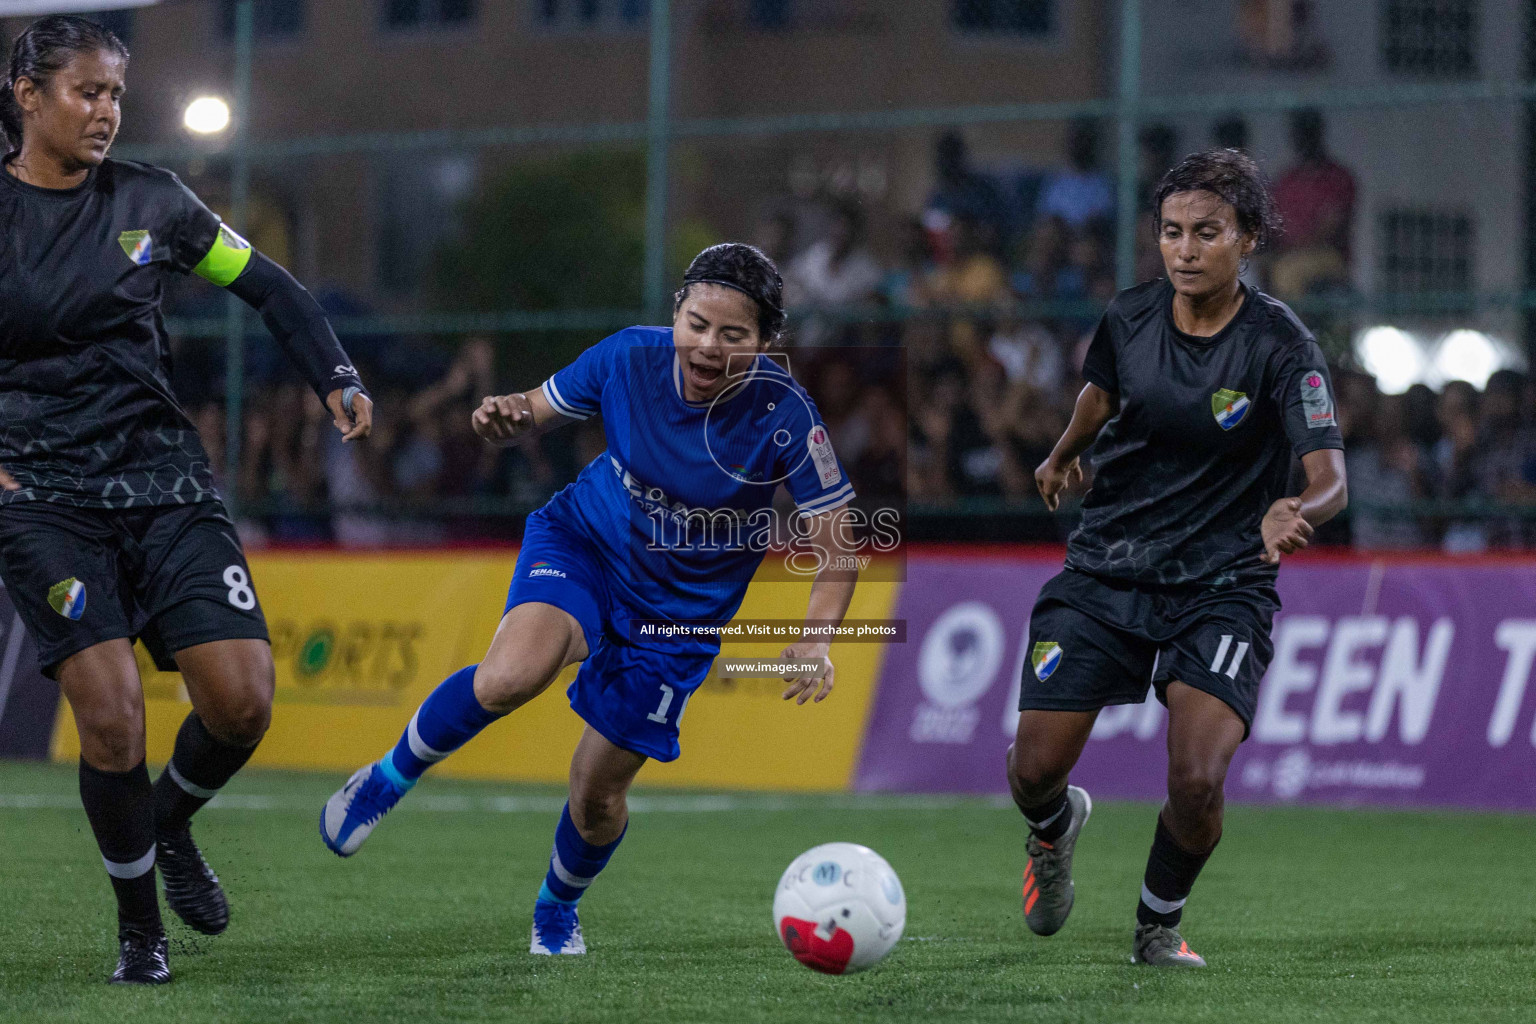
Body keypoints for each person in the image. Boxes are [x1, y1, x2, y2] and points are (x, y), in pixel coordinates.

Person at [320, 243, 861, 957]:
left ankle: (555, 908)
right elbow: (537, 410)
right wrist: (506, 418)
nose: (708, 347)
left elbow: (841, 542)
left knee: (597, 794)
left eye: (734, 335)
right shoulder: (627, 357)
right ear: (677, 314)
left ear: (765, 344)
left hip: (677, 620)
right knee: (511, 674)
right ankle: (385, 779)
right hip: (587, 543)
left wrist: (818, 637)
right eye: (697, 324)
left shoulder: (785, 414)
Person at [0, 17, 373, 984]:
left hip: (164, 481)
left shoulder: (154, 205)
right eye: (86, 92)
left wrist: (334, 374)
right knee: (113, 717)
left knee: (244, 701)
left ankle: (166, 825)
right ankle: (140, 934)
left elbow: (271, 288)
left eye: (117, 93)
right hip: (41, 495)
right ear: (26, 93)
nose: (107, 112)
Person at [1007, 150, 1347, 966]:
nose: (1185, 249)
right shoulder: (1128, 317)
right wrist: (1062, 453)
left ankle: (1157, 924)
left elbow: (1331, 476)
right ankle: (1054, 835)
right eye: (1170, 232)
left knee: (1196, 781)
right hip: (1108, 568)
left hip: (1224, 582)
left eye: (1206, 233)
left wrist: (1296, 511)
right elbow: (1101, 392)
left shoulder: (1281, 345)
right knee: (1032, 770)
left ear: (1248, 240)